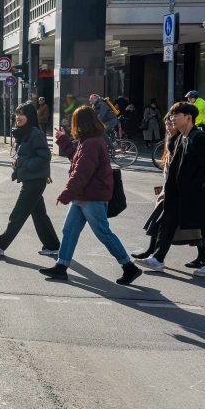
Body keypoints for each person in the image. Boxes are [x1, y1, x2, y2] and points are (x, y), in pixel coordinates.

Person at [39, 106, 141, 284]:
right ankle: (61, 267)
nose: (73, 125)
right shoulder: (89, 141)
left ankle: (129, 267)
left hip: (92, 196)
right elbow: (77, 160)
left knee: (103, 233)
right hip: (83, 195)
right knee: (69, 231)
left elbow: (82, 172)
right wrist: (63, 140)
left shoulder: (92, 143)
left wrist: (66, 194)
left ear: (81, 123)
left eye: (75, 121)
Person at [135, 101, 205, 278]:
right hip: (180, 194)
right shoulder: (183, 137)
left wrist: (197, 188)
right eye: (172, 115)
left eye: (177, 115)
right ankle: (158, 258)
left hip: (199, 195)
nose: (172, 118)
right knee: (167, 223)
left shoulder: (198, 138)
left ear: (188, 118)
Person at [0, 102, 60, 258]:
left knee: (18, 215)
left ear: (30, 116)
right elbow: (29, 156)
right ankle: (52, 245)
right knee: (39, 214)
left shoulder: (34, 133)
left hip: (34, 182)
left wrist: (24, 165)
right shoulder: (24, 132)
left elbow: (45, 156)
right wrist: (19, 164)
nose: (18, 117)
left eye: (21, 114)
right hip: (31, 179)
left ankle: (0, 244)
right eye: (17, 114)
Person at [130, 113, 205, 267]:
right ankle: (154, 253)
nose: (169, 128)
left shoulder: (186, 140)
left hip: (183, 193)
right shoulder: (172, 141)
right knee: (159, 222)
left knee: (196, 227)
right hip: (171, 192)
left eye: (171, 124)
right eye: (167, 125)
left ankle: (202, 257)